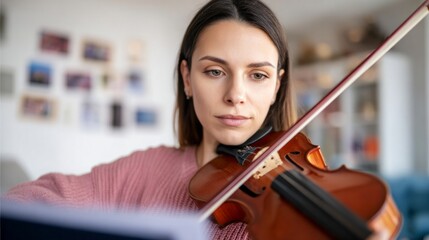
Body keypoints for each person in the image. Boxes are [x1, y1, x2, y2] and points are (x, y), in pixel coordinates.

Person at [3, 0, 386, 239]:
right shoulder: (147, 168)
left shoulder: (316, 189)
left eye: (258, 75)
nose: (236, 94)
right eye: (215, 71)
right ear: (187, 79)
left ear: (276, 87)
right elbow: (29, 203)